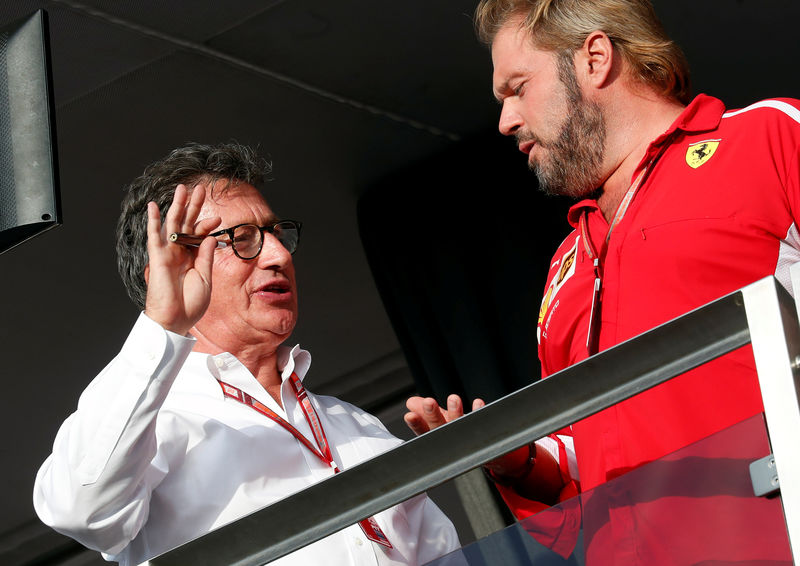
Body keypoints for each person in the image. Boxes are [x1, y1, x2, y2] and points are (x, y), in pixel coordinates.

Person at [406, 0, 799, 563]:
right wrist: (511, 457)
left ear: (594, 59)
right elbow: (585, 461)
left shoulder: (766, 139)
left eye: (517, 87)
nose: (505, 120)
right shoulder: (567, 262)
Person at [33, 142, 459, 566]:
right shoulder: (155, 424)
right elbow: (80, 511)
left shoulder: (355, 424)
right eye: (240, 240)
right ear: (170, 273)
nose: (277, 255)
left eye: (276, 234)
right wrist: (162, 325)